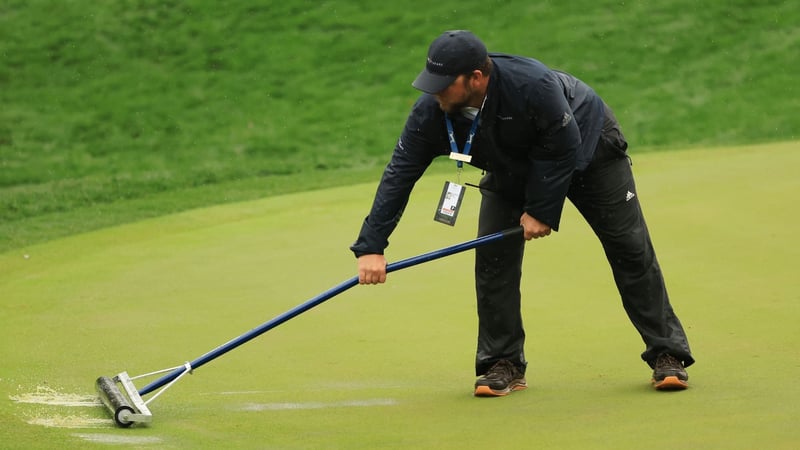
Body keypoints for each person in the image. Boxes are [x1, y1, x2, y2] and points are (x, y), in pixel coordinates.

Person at [350, 30, 694, 395]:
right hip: (510, 165)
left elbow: (565, 146)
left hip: (589, 147)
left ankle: (667, 353)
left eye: (444, 84)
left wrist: (540, 209)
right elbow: (399, 174)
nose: (435, 92)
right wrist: (371, 245)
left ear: (476, 78)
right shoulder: (431, 113)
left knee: (629, 247)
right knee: (493, 260)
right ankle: (503, 363)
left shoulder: (533, 85)